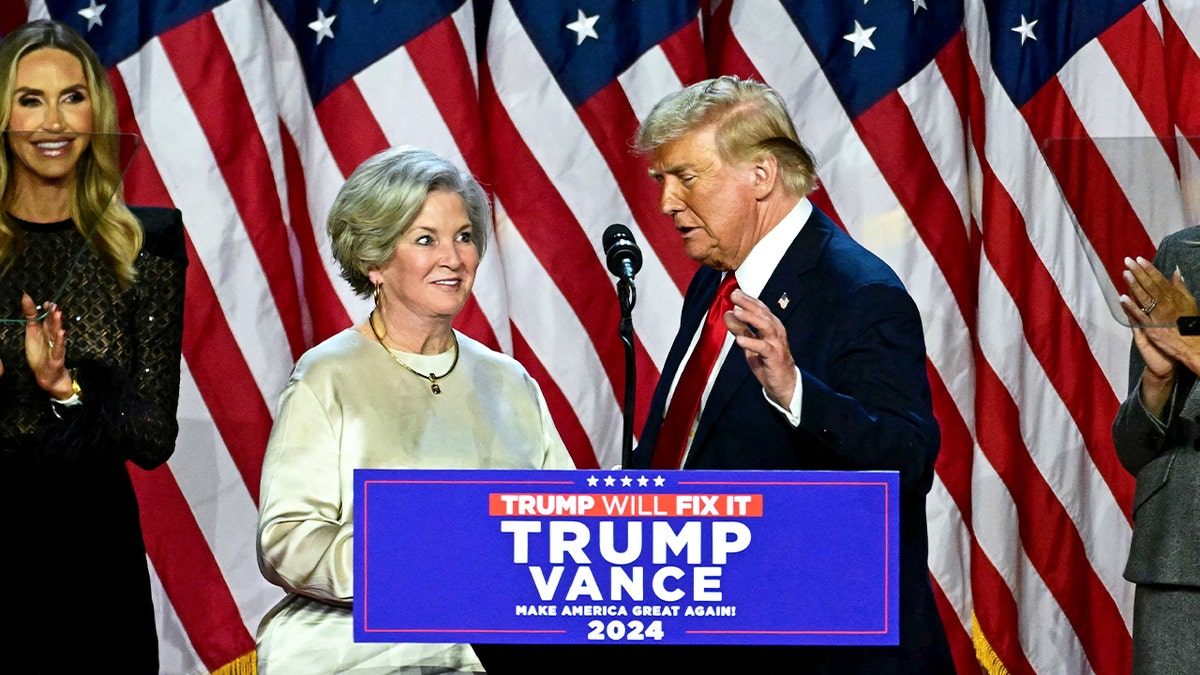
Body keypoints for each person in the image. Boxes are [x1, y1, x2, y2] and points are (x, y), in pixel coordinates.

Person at [629, 75, 954, 673]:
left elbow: (908, 460)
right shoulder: (716, 279)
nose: (667, 203)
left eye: (686, 178)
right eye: (662, 181)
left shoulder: (859, 292)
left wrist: (795, 392)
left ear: (761, 175)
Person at [256, 146, 575, 674]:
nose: (453, 258)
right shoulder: (327, 375)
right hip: (358, 655)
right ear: (375, 260)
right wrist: (419, 559)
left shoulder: (509, 381)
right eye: (426, 239)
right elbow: (286, 540)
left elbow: (562, 529)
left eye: (464, 237)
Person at [0, 19, 187, 673]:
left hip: (92, 562)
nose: (53, 120)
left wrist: (68, 387)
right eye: (30, 99)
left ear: (96, 110)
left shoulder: (148, 241)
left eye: (71, 96)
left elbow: (153, 438)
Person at [1112, 227, 1200, 675]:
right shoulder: (1184, 253)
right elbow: (1134, 451)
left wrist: (1195, 346)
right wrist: (1158, 384)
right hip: (1179, 563)